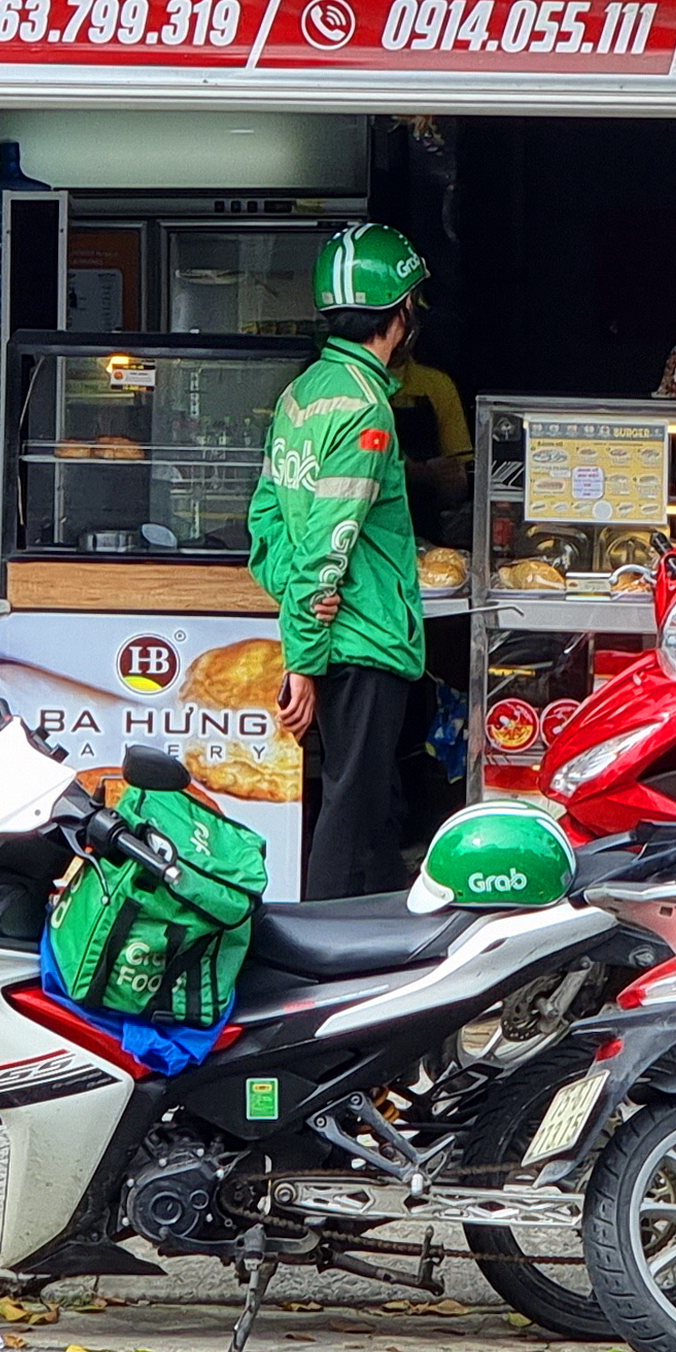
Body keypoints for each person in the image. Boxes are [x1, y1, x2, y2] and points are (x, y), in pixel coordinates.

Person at [252, 222, 434, 902]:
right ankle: (324, 948)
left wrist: (298, 612)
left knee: (374, 802)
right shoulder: (364, 411)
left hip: (334, 631)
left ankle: (386, 939)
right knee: (353, 802)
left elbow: (265, 526)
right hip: (363, 636)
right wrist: (303, 650)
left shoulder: (303, 394)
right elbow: (332, 545)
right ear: (401, 311)